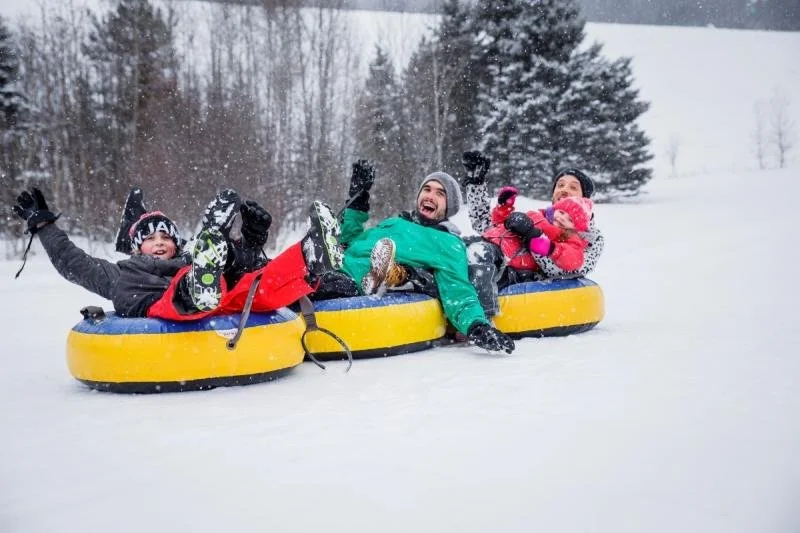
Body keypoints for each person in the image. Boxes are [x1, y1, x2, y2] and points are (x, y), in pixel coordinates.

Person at [12, 186, 343, 321]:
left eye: (165, 237)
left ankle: (309, 256)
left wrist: (253, 240)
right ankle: (202, 278)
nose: (158, 242)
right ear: (136, 246)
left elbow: (248, 268)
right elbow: (74, 263)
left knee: (252, 285)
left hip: (210, 290)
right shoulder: (120, 273)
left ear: (176, 243)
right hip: (160, 303)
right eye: (149, 238)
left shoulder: (185, 260)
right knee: (184, 287)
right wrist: (44, 227)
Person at [311, 160, 515, 354]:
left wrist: (477, 326)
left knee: (315, 283)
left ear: (449, 206)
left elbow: (458, 290)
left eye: (440, 193)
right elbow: (351, 242)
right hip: (335, 263)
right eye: (426, 190)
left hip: (351, 279)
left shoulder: (448, 243)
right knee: (295, 269)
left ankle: (373, 277)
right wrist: (357, 200)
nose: (430, 196)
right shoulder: (395, 222)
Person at [461, 151, 605, 316]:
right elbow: (487, 228)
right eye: (560, 185)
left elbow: (568, 269)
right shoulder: (538, 217)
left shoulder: (590, 237)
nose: (564, 190)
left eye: (573, 187)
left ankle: (480, 316)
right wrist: (476, 184)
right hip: (496, 258)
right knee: (458, 249)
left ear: (584, 199)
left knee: (480, 256)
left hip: (519, 279)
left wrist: (532, 236)